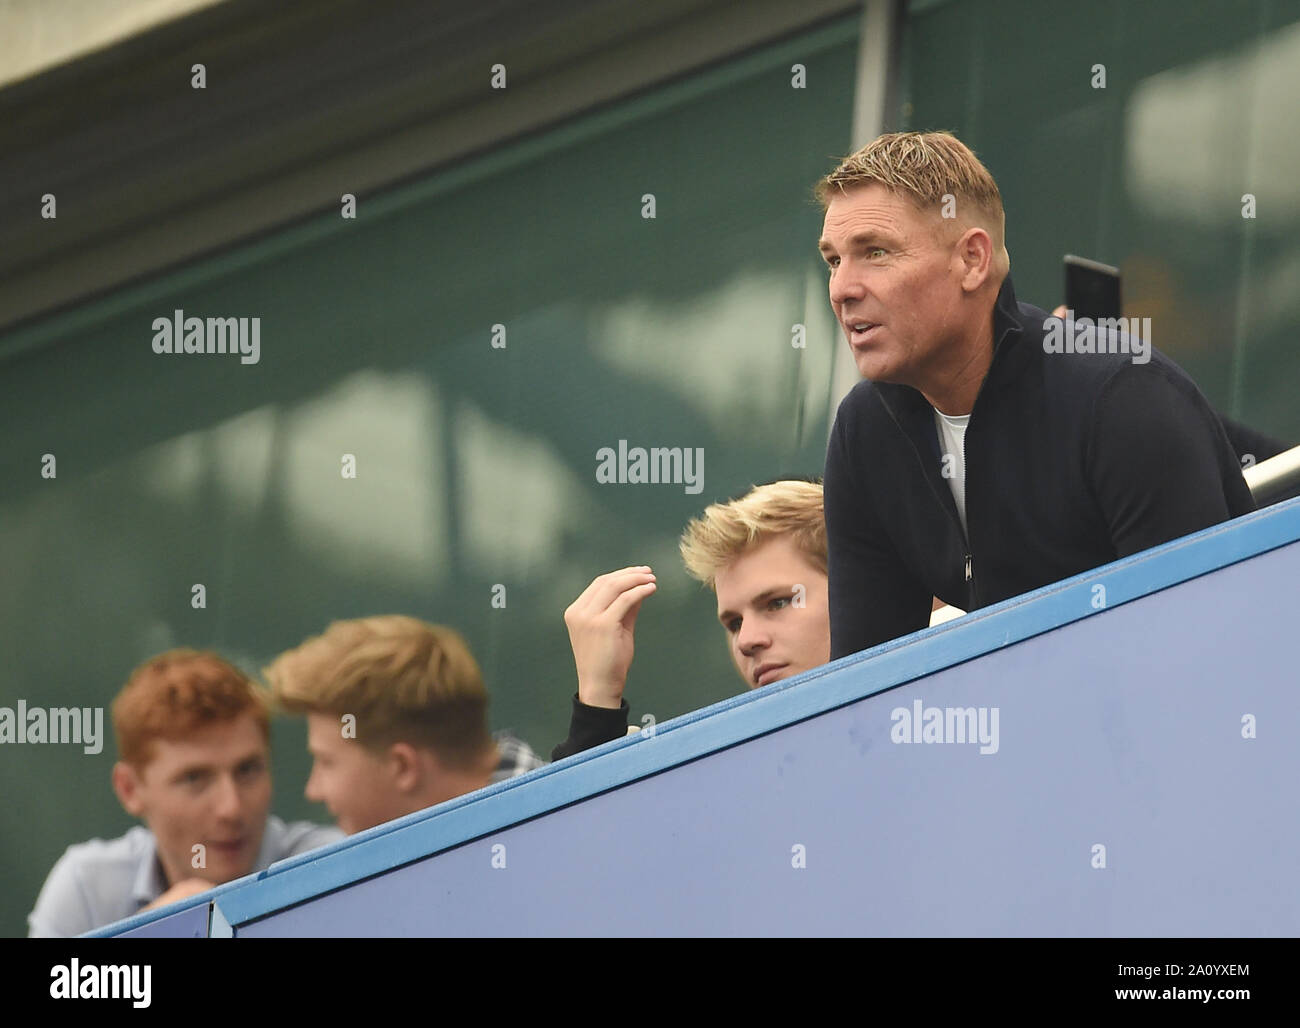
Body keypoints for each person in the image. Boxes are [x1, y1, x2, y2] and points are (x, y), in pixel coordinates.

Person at [818, 131, 1255, 659]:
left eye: (876, 252)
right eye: (833, 261)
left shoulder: (1122, 398)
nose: (842, 289)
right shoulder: (865, 433)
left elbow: (1203, 650)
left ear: (972, 260)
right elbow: (867, 693)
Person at [554, 479, 961, 759]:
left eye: (777, 603)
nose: (746, 640)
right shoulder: (731, 769)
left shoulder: (963, 699)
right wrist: (598, 703)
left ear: (865, 588)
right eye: (732, 623)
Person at [28, 649, 341, 937]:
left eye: (247, 770)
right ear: (130, 789)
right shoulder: (88, 886)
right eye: (194, 779)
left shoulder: (330, 868)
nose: (230, 809)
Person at [265, 615, 545, 835]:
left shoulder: (541, 858)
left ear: (402, 766)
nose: (314, 790)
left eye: (326, 761)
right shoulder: (536, 831)